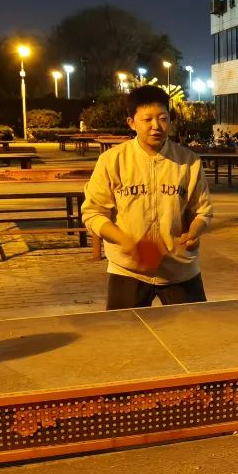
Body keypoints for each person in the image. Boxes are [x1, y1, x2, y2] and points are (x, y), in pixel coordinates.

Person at [82, 85, 213, 310]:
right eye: (147, 119)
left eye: (163, 118)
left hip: (179, 269)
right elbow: (93, 212)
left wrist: (194, 232)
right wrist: (125, 241)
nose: (156, 126)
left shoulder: (189, 161)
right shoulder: (112, 160)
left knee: (194, 329)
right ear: (131, 122)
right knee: (124, 330)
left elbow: (203, 210)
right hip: (128, 269)